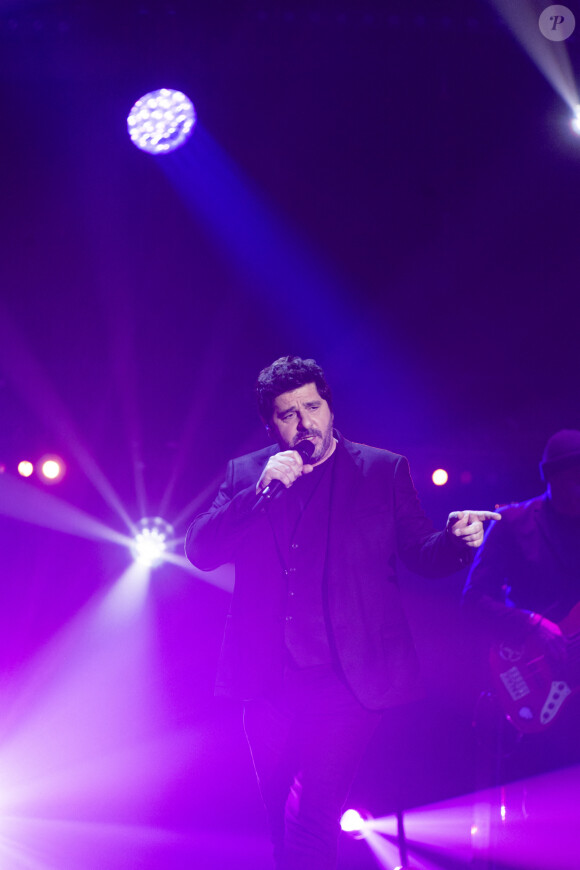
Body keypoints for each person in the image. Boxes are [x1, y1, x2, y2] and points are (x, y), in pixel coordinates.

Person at [185, 355, 499, 870]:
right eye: (289, 414)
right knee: (273, 814)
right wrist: (258, 493)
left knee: (314, 813)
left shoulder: (380, 469)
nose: (305, 422)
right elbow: (200, 551)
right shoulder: (250, 475)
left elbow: (421, 550)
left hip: (348, 680)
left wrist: (457, 542)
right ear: (272, 423)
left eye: (313, 406)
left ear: (329, 405)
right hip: (268, 678)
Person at [462, 429, 580, 773]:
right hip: (534, 679)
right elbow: (473, 600)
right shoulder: (512, 524)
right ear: (553, 479)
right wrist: (532, 623)